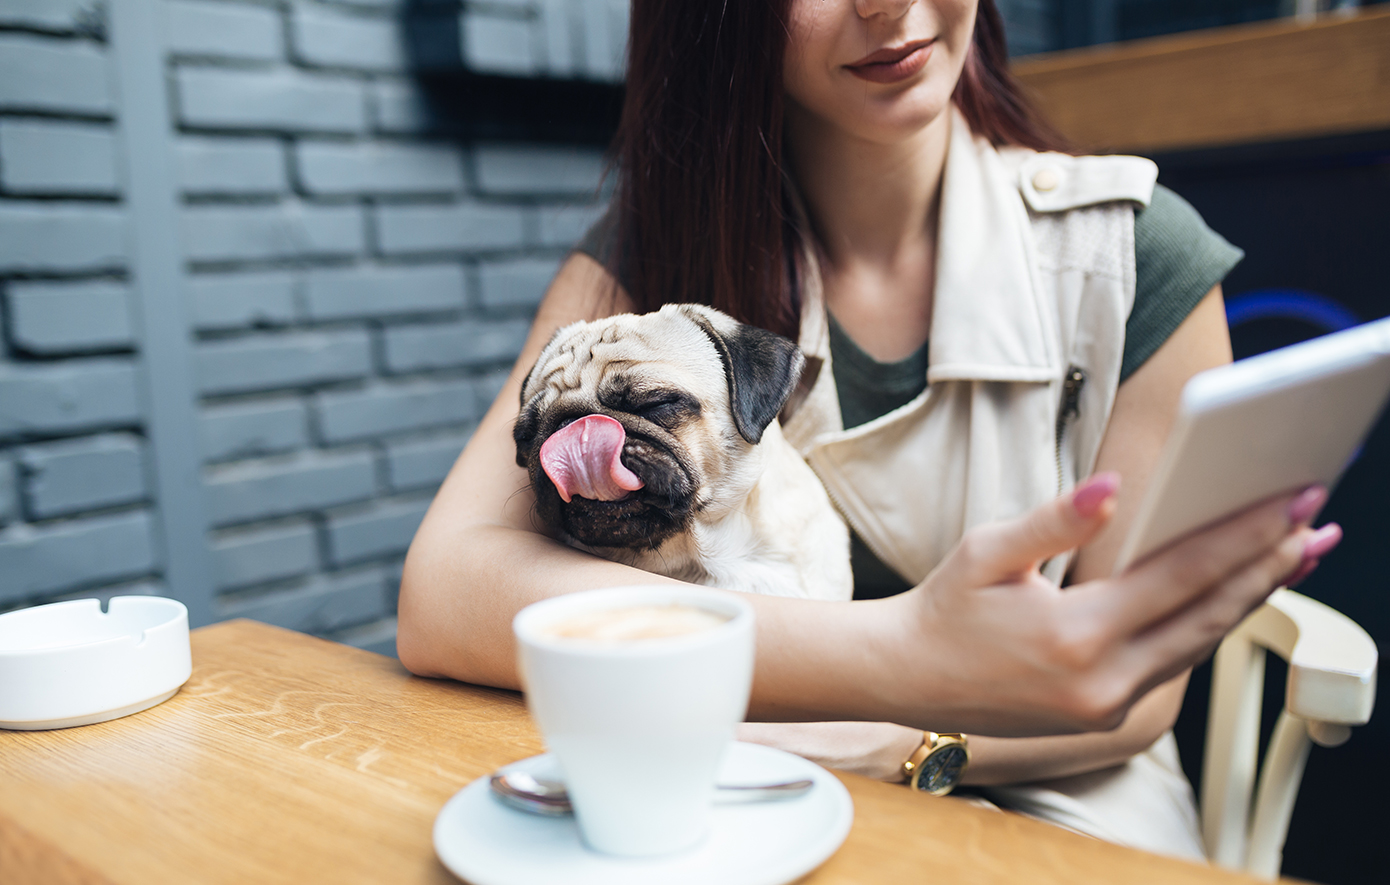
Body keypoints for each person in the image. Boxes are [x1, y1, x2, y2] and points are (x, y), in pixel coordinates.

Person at [398, 0, 1340, 859]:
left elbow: (1134, 696)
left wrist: (901, 736)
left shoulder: (1132, 254)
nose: (888, 6)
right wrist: (904, 652)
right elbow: (444, 594)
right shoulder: (648, 257)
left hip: (1062, 796)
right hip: (732, 788)